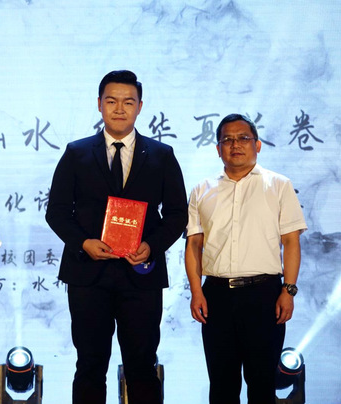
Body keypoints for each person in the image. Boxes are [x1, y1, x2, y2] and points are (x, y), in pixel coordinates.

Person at [45, 70, 188, 404]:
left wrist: (151, 246)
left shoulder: (161, 155)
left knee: (142, 365)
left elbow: (178, 214)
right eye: (111, 101)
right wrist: (84, 243)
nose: (119, 109)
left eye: (128, 102)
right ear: (99, 105)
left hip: (141, 274)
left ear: (140, 106)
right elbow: (57, 212)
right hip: (88, 274)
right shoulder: (77, 153)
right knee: (90, 365)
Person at [185, 114, 307, 404]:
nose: (235, 145)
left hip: (264, 294)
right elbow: (194, 245)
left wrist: (288, 290)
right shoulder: (202, 190)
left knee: (262, 383)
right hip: (216, 296)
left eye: (243, 138)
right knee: (222, 384)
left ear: (257, 144)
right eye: (227, 140)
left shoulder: (279, 185)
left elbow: (291, 242)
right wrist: (197, 292)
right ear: (218, 149)